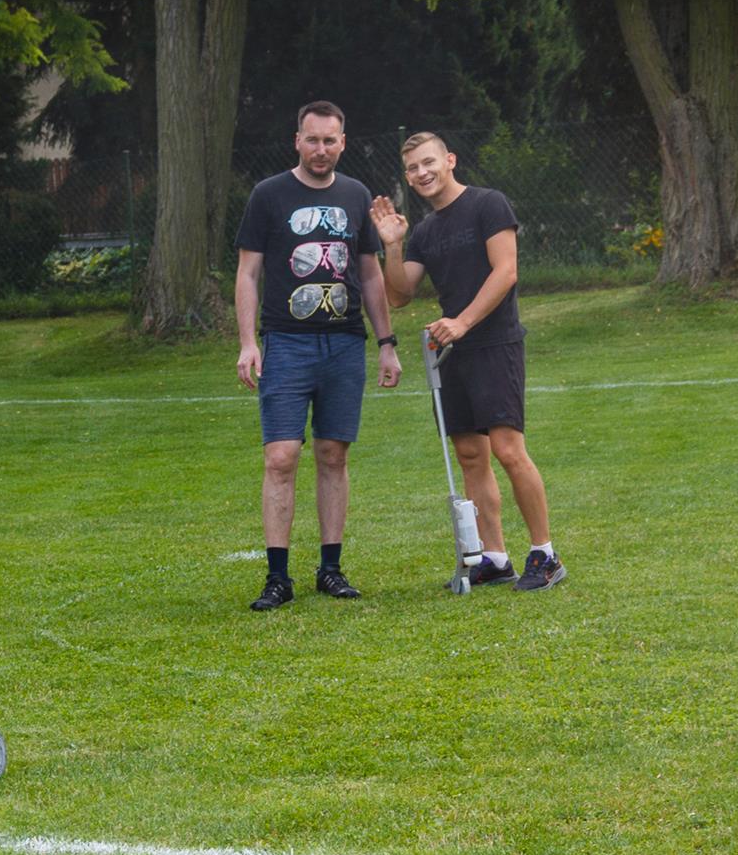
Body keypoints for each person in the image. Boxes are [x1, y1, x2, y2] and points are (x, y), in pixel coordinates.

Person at [369, 132, 565, 591]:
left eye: (428, 162)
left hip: (494, 343)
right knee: (471, 455)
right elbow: (399, 294)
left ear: (450, 160)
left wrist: (462, 322)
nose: (422, 173)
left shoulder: (488, 204)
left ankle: (545, 555)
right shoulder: (424, 232)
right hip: (451, 352)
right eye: (413, 168)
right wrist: (392, 246)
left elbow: (506, 271)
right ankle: (494, 558)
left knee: (508, 450)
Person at [235, 101, 402, 611]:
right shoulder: (268, 195)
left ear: (343, 143)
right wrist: (248, 342)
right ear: (297, 141)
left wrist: (387, 344)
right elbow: (248, 274)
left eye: (330, 140)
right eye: (312, 139)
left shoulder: (355, 196)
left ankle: (331, 569)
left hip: (344, 343)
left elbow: (370, 275)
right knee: (281, 457)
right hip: (286, 343)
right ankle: (277, 578)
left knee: (334, 455)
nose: (321, 149)